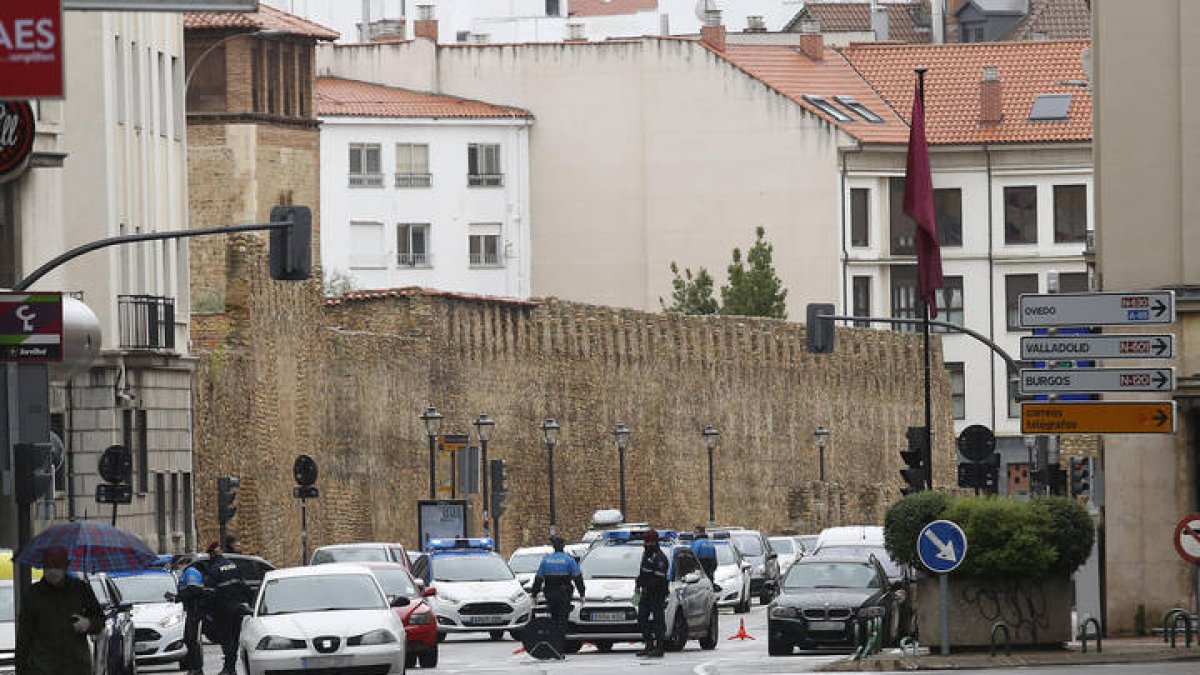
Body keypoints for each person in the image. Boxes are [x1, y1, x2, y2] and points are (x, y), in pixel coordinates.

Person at [15, 545, 104, 675]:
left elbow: (100, 620)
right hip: (42, 667)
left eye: (57, 567)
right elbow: (24, 635)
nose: (52, 572)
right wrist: (21, 669)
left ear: (65, 567)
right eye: (48, 567)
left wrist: (88, 624)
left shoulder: (80, 589)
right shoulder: (33, 594)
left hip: (76, 667)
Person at [203, 540, 252, 675]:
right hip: (237, 608)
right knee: (234, 637)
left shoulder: (214, 569)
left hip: (223, 610)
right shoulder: (232, 565)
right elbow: (243, 585)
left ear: (212, 554)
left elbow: (210, 593)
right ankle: (231, 667)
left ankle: (229, 668)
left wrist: (207, 610)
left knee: (226, 638)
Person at [529, 536, 585, 640]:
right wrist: (582, 593)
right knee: (563, 618)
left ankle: (554, 639)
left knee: (554, 617)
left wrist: (534, 594)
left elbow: (538, 579)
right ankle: (560, 641)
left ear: (553, 547)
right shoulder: (569, 560)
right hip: (564, 593)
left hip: (550, 594)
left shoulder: (546, 560)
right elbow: (578, 578)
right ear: (563, 546)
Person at [634, 529, 669, 658]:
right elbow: (642, 572)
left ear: (654, 542)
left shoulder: (660, 558)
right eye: (645, 541)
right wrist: (638, 585)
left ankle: (659, 648)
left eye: (648, 542)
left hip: (657, 594)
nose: (646, 544)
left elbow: (659, 579)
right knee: (641, 619)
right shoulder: (645, 555)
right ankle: (649, 644)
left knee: (659, 621)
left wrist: (646, 585)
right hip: (645, 593)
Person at [173, 554, 208, 675]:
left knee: (192, 640)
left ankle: (196, 668)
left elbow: (194, 591)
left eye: (177, 566)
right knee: (189, 640)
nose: (177, 569)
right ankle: (194, 667)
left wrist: (178, 597)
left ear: (181, 564)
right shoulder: (187, 572)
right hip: (191, 610)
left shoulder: (190, 572)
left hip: (194, 610)